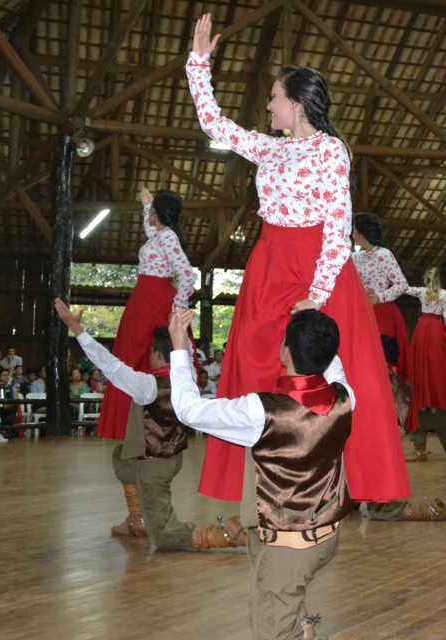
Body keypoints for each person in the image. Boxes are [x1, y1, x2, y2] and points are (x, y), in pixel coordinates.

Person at [187, 14, 409, 508]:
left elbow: (337, 226)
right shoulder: (269, 149)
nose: (267, 105)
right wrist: (199, 63)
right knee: (250, 359)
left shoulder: (332, 151)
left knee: (334, 373)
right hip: (269, 264)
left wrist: (319, 293)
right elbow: (213, 123)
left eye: (273, 97)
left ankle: (339, 482)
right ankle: (261, 477)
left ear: (296, 103)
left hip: (315, 270)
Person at [168, 308, 353, 639]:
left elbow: (188, 410)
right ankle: (303, 625)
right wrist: (317, 311)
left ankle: (299, 627)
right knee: (289, 602)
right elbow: (334, 366)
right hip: (325, 537)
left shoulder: (262, 411)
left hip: (286, 551)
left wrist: (179, 348)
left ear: (285, 352)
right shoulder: (344, 397)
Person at [55, 299, 246, 550]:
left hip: (153, 465)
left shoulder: (147, 386)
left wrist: (77, 329)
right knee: (121, 457)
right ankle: (138, 518)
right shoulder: (186, 379)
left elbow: (109, 365)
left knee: (166, 537)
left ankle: (230, 535)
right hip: (172, 459)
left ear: (156, 354)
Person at [96, 186, 195, 442]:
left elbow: (187, 275)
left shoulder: (169, 238)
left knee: (139, 356)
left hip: (155, 299)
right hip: (145, 299)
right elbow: (151, 231)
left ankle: (146, 424)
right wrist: (145, 205)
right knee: (132, 355)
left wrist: (176, 308)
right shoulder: (160, 235)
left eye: (152, 210)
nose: (149, 214)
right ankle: (134, 425)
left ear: (159, 212)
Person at [360, 336, 446, 523]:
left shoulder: (378, 378)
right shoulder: (398, 378)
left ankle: (414, 511)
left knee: (379, 498)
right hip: (383, 441)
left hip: (374, 442)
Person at [403, 267, 446, 462]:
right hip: (436, 331)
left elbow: (404, 288)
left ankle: (420, 449)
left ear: (426, 280)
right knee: (438, 369)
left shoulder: (422, 292)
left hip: (423, 329)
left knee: (422, 369)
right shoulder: (444, 293)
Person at [352, 212, 410, 374]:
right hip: (362, 312)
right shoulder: (356, 257)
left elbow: (402, 284)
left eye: (354, 230)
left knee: (383, 359)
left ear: (361, 234)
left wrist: (379, 297)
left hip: (382, 312)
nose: (352, 234)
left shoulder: (383, 254)